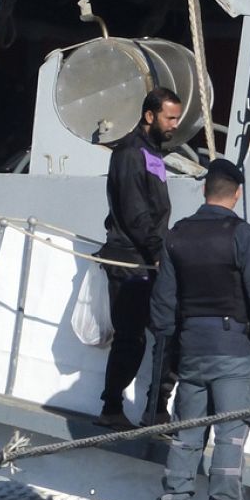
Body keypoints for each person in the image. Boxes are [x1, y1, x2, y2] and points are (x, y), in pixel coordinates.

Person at [150, 159, 250, 500]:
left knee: (186, 437)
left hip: (191, 350)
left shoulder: (177, 235)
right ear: (236, 194)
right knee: (229, 438)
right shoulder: (243, 235)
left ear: (204, 190)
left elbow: (163, 307)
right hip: (234, 353)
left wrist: (168, 355)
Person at [95, 87, 181, 430]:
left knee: (167, 331)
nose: (175, 124)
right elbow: (135, 213)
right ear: (149, 115)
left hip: (148, 257)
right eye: (169, 117)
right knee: (131, 337)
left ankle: (156, 409)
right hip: (132, 261)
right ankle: (112, 407)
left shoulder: (152, 152)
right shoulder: (131, 153)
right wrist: (159, 252)